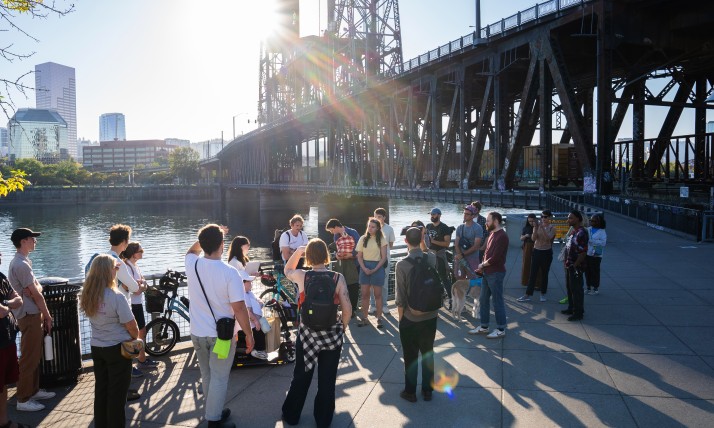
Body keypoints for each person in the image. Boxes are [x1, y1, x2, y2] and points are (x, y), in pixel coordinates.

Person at [185, 224, 254, 428]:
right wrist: (248, 334)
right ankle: (214, 420)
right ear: (222, 245)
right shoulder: (230, 272)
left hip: (197, 333)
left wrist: (208, 235)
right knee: (220, 377)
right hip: (221, 337)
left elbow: (191, 250)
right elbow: (239, 308)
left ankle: (212, 410)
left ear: (203, 244)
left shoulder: (192, 264)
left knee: (207, 374)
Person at [281, 239, 351, 427]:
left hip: (307, 335)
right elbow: (347, 308)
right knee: (327, 380)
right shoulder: (337, 278)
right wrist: (342, 327)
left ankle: (292, 414)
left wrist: (298, 252)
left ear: (309, 256)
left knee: (302, 376)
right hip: (331, 335)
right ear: (326, 255)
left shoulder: (303, 276)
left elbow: (286, 271)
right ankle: (323, 419)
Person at [80, 254, 139, 428]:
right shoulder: (117, 296)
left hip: (97, 346)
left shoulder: (88, 294)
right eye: (115, 267)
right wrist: (135, 338)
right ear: (107, 271)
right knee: (117, 394)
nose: (117, 270)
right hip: (117, 349)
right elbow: (132, 326)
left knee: (102, 390)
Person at [7, 228, 55, 412]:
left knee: (34, 354)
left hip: (30, 314)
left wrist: (36, 289)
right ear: (23, 241)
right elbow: (36, 293)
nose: (35, 241)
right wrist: (48, 315)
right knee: (28, 357)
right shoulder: (21, 265)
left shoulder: (23, 262)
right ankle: (23, 399)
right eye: (32, 239)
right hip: (28, 315)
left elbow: (38, 288)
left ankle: (33, 390)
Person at [395, 227, 438, 403]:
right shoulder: (432, 258)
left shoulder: (401, 264)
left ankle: (410, 392)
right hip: (430, 315)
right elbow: (427, 253)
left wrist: (401, 318)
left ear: (405, 241)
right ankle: (428, 391)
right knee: (428, 353)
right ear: (421, 239)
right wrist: (423, 242)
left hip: (410, 317)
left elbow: (400, 297)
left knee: (410, 356)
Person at [469, 212, 509, 339]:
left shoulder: (502, 236)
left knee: (497, 301)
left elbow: (495, 258)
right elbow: (487, 253)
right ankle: (484, 326)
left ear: (496, 221)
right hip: (488, 272)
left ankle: (501, 329)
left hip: (496, 273)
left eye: (488, 221)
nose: (486, 223)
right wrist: (483, 266)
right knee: (483, 299)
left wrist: (482, 265)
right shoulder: (492, 234)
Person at [120, 242, 158, 372]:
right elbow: (135, 289)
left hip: (138, 304)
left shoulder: (135, 266)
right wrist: (140, 286)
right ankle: (134, 363)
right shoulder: (126, 266)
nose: (142, 252)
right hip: (132, 305)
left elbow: (142, 284)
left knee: (141, 331)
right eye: (140, 251)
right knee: (134, 334)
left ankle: (142, 359)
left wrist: (141, 285)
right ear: (133, 253)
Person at [1, 250, 27, 428]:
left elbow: (18, 299)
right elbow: (1, 311)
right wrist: (8, 304)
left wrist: (5, 303)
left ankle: (4, 422)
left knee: (2, 385)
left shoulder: (1, 276)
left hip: (7, 339)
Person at [356, 218, 388, 328]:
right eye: (369, 226)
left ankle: (379, 318)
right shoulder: (362, 239)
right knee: (365, 294)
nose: (370, 228)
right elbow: (359, 257)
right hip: (365, 267)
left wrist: (375, 269)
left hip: (377, 267)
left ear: (378, 228)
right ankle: (364, 318)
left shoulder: (382, 240)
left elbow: (384, 258)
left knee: (378, 295)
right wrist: (364, 268)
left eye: (373, 226)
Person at [518, 210, 556, 303]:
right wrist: (535, 228)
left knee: (544, 274)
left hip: (546, 253)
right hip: (537, 251)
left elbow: (548, 239)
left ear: (550, 217)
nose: (543, 219)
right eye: (542, 217)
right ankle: (527, 294)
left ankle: (543, 294)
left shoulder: (552, 228)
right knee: (533, 273)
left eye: (546, 217)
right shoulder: (537, 226)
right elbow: (533, 238)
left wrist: (542, 228)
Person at [325, 219, 361, 315]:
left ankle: (353, 309)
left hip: (354, 263)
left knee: (353, 286)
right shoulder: (336, 236)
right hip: (343, 264)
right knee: (343, 286)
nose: (332, 232)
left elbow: (359, 246)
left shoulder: (352, 232)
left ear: (336, 227)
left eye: (331, 230)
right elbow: (338, 249)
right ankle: (346, 308)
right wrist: (337, 255)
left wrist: (351, 255)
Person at [561, 211, 589, 321]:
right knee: (570, 287)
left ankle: (578, 312)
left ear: (578, 219)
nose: (568, 220)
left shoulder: (582, 233)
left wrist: (575, 265)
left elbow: (583, 252)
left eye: (570, 218)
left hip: (575, 266)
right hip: (569, 265)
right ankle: (571, 308)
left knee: (577, 289)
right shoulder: (574, 231)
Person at [426, 208, 454, 309]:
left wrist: (433, 241)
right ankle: (435, 299)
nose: (432, 216)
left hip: (440, 255)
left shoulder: (444, 228)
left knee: (444, 278)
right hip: (430, 254)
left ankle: (452, 299)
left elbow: (446, 244)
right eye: (431, 214)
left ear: (439, 215)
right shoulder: (428, 226)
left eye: (433, 214)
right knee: (430, 279)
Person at [237, 270, 267, 360]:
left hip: (253, 319)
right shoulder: (243, 294)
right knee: (259, 328)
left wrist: (260, 303)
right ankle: (258, 351)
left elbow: (258, 301)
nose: (251, 284)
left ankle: (260, 350)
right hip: (248, 322)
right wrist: (255, 320)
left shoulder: (249, 293)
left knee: (264, 326)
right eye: (249, 282)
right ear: (242, 283)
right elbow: (247, 311)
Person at [370, 208, 394, 315]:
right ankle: (373, 305)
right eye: (375, 216)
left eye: (379, 216)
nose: (377, 218)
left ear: (384, 217)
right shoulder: (371, 228)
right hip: (372, 259)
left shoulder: (389, 229)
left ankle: (384, 305)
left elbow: (391, 245)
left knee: (384, 284)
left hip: (385, 260)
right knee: (371, 283)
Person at [453, 205, 483, 281]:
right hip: (460, 259)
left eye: (467, 214)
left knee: (473, 281)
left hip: (473, 259)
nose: (465, 215)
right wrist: (460, 255)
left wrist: (462, 255)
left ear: (473, 216)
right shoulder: (460, 227)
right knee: (460, 280)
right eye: (464, 213)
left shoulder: (478, 228)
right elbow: (456, 244)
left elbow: (476, 246)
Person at [586, 214, 607, 295]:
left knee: (595, 271)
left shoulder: (602, 231)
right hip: (588, 253)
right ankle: (588, 287)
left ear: (599, 222)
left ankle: (595, 288)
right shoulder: (588, 229)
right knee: (587, 271)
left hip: (596, 254)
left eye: (594, 221)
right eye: (590, 220)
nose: (591, 222)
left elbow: (603, 243)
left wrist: (592, 241)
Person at [519, 214, 537, 287]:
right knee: (526, 263)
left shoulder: (538, 227)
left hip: (537, 246)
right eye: (529, 221)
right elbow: (521, 238)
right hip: (527, 245)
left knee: (536, 264)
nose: (531, 223)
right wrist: (526, 236)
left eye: (532, 221)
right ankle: (525, 281)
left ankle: (537, 282)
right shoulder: (526, 228)